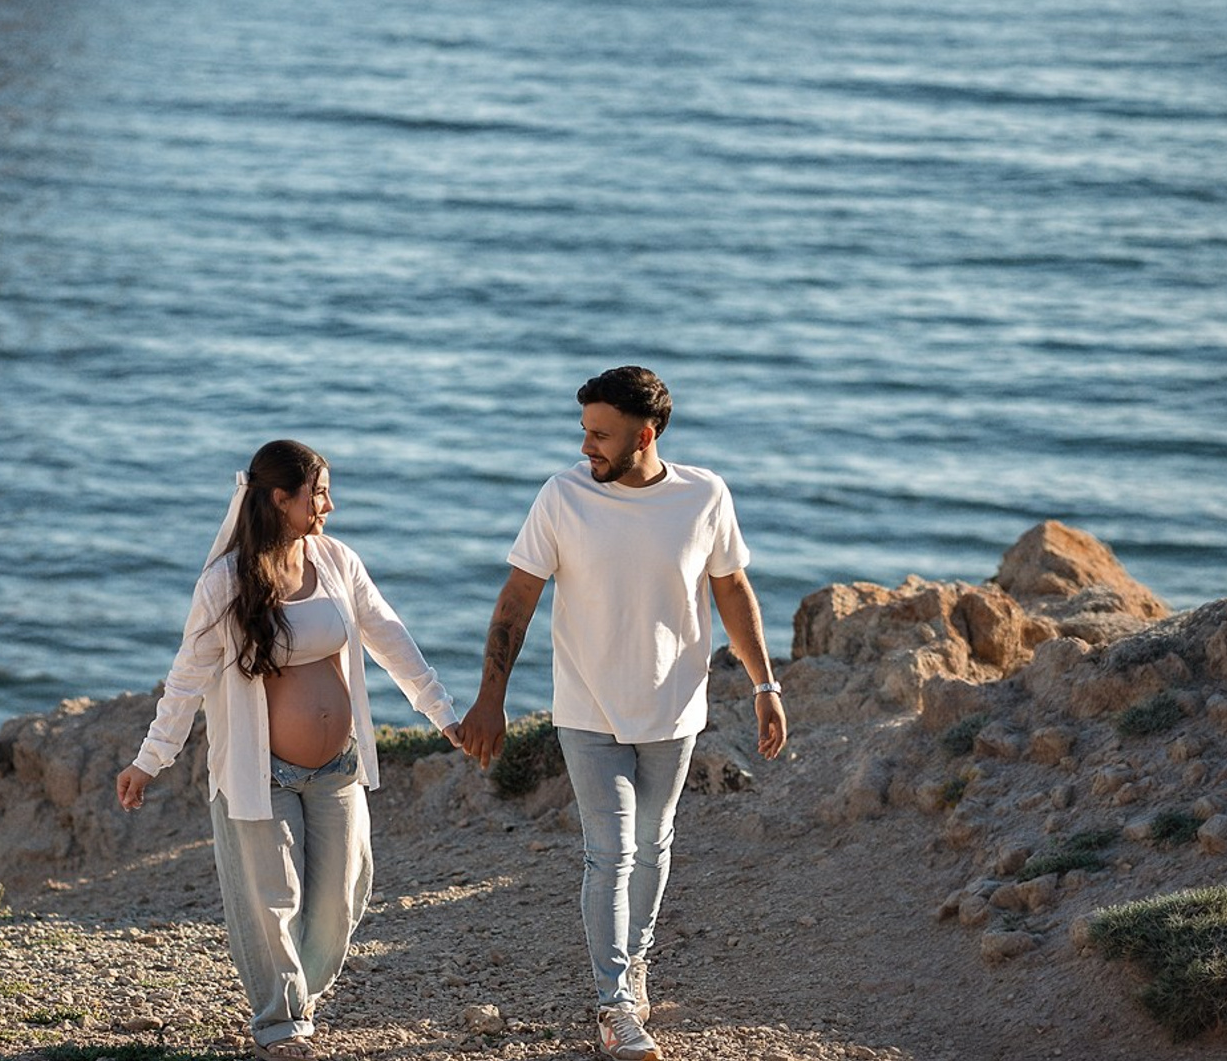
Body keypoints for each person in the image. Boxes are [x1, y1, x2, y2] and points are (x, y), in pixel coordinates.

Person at [449, 369, 788, 1060]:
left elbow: (732, 590)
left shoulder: (704, 496)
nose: (586, 449)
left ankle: (634, 967)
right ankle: (613, 1006)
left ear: (646, 433)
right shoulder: (563, 497)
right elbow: (517, 599)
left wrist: (764, 685)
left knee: (655, 847)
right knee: (611, 852)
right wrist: (491, 697)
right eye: (583, 433)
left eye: (599, 436)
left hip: (675, 709)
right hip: (587, 709)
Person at [116, 439, 462, 1048]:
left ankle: (296, 996)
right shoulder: (225, 583)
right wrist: (150, 761)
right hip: (262, 772)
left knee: (342, 898)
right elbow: (186, 681)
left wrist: (442, 713)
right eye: (318, 493)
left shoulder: (336, 561)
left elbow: (389, 637)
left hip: (338, 766)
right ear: (281, 499)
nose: (329, 504)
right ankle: (281, 1026)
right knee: (273, 904)